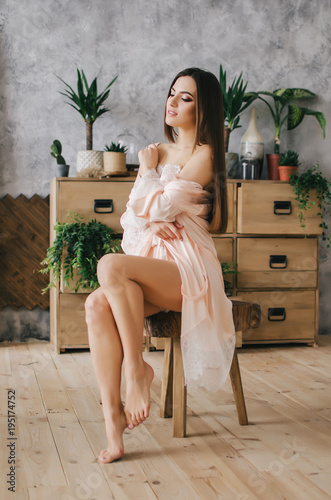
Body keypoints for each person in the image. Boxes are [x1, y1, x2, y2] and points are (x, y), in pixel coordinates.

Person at [85, 67, 236, 463]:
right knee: (95, 304)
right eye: (171, 93)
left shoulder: (205, 154)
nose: (171, 102)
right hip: (153, 261)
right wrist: (154, 210)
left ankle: (136, 371)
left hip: (189, 268)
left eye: (184, 97)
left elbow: (161, 206)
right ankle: (113, 424)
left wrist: (150, 186)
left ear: (203, 107)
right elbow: (133, 215)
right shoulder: (157, 151)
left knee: (110, 265)